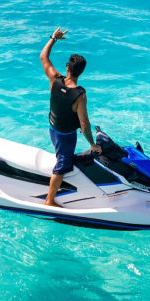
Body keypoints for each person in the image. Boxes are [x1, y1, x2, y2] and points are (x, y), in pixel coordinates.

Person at [39, 27, 98, 207]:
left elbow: (43, 57)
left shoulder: (55, 79)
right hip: (66, 136)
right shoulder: (80, 95)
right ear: (81, 72)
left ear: (67, 68)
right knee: (63, 165)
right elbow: (84, 123)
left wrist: (53, 38)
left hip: (52, 128)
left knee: (63, 155)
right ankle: (49, 201)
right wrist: (92, 144)